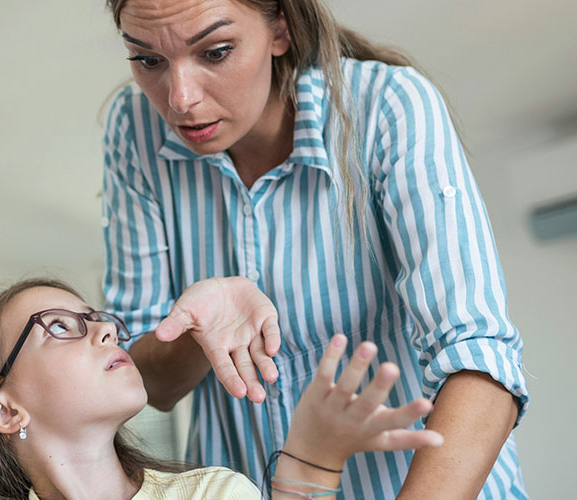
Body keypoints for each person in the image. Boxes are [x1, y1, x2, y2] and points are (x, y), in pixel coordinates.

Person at [100, 0, 530, 498]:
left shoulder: (386, 104)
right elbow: (146, 383)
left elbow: (479, 357)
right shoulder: (133, 131)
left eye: (216, 52)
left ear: (280, 29)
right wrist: (195, 330)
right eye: (148, 60)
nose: (180, 98)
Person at [0, 277, 442, 499]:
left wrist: (312, 461)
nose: (107, 329)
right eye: (61, 326)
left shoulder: (213, 493)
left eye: (97, 318)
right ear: (4, 412)